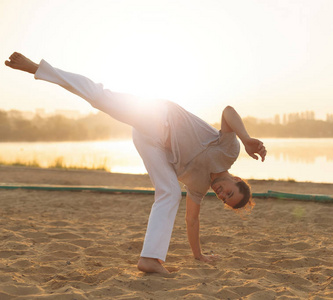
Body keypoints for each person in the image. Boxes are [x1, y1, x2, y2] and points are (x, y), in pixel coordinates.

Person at [5, 52, 267, 274]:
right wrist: (245, 139)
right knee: (101, 98)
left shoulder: (199, 188)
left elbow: (192, 221)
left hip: (148, 141)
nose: (221, 194)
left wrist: (198, 256)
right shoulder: (229, 151)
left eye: (223, 199)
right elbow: (228, 111)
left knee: (170, 192)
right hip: (156, 115)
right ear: (237, 180)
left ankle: (150, 259)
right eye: (229, 192)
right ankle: (37, 68)